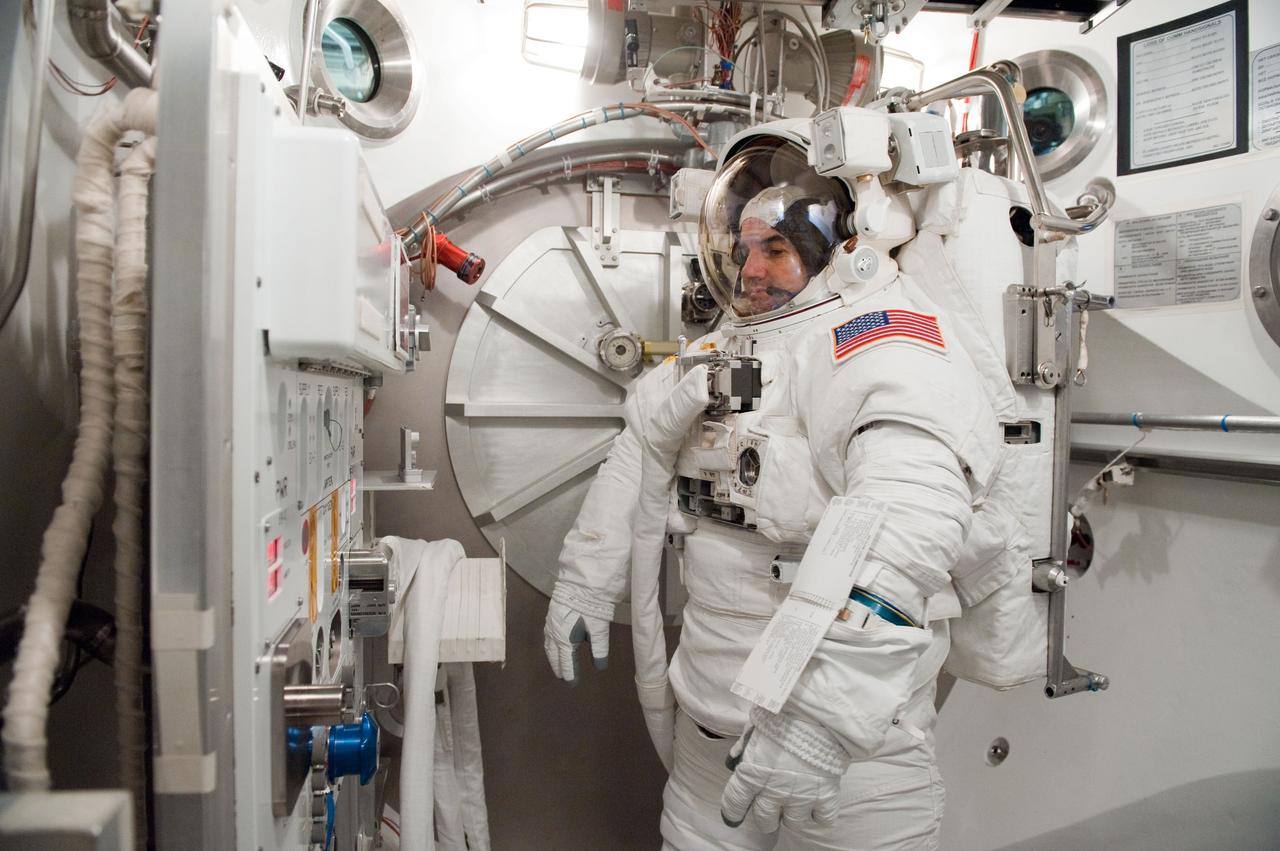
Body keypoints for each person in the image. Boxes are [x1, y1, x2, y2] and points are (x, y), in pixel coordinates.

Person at [544, 122, 1000, 850]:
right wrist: (586, 580)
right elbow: (641, 444)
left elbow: (905, 516)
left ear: (835, 250)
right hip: (707, 734)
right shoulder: (723, 348)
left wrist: (821, 722)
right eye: (742, 249)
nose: (750, 270)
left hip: (846, 761)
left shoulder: (882, 342)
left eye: (776, 249)